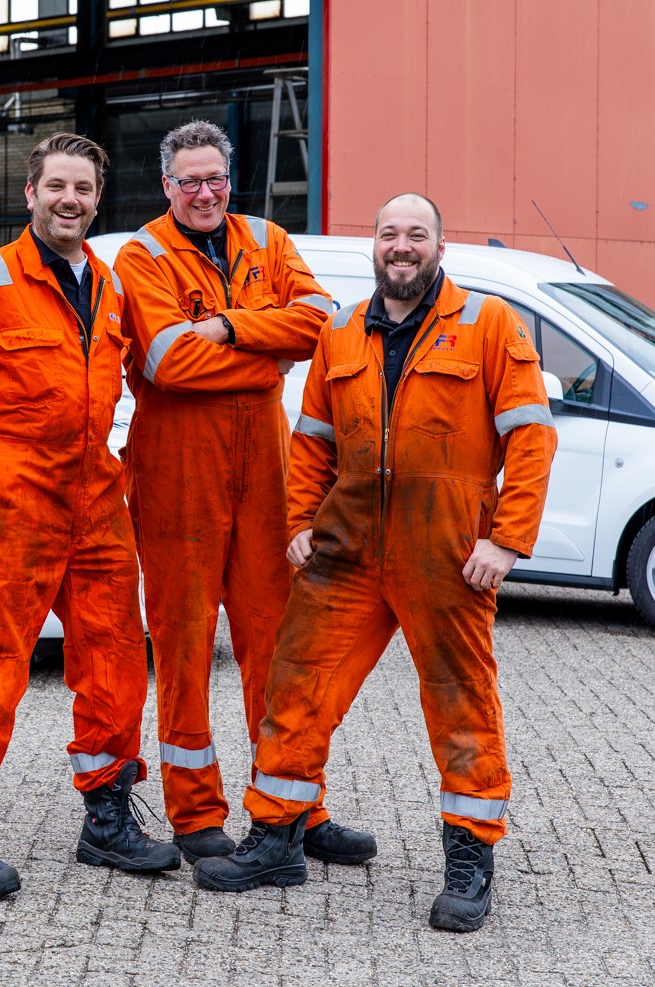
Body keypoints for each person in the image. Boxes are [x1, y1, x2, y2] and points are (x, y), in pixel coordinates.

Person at [194, 193, 557, 933]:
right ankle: (276, 835)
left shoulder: (488, 324)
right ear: (375, 246)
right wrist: (300, 522)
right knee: (296, 686)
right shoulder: (341, 330)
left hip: (447, 553)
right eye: (390, 233)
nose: (401, 246)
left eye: (416, 234)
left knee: (460, 700)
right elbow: (313, 440)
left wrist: (506, 540)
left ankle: (469, 856)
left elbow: (530, 436)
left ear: (439, 248)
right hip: (348, 548)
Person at [0, 132, 181, 900]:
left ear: (98, 200)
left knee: (116, 655)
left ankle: (107, 816)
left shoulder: (109, 284)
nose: (71, 200)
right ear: (30, 193)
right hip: (12, 498)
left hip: (95, 494)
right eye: (57, 186)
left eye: (84, 189)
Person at [113, 119, 374, 866]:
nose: (205, 192)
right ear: (167, 185)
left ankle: (292, 805)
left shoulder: (267, 238)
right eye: (190, 180)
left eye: (215, 178)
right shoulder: (141, 255)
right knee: (184, 644)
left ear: (231, 179)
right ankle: (196, 812)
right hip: (177, 475)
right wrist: (267, 357)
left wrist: (227, 328)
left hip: (264, 469)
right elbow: (168, 362)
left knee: (279, 644)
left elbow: (321, 324)